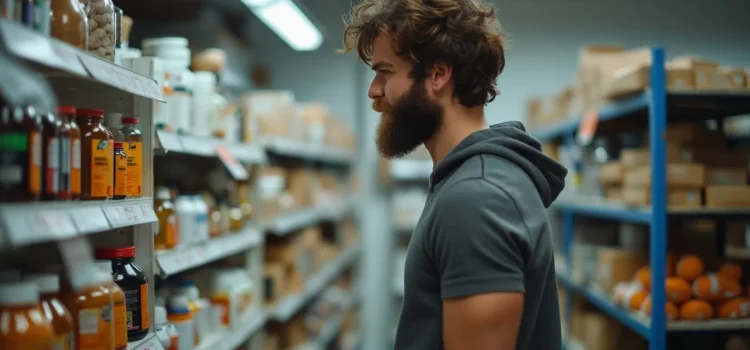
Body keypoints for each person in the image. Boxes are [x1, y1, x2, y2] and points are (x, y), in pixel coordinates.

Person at [341, 1, 568, 349]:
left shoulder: (477, 197)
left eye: (385, 72)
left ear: (438, 74)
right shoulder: (468, 181)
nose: (374, 90)